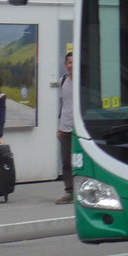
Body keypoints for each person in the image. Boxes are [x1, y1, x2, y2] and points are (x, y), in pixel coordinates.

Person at [56, 51, 74, 204]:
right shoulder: (63, 80)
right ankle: (69, 191)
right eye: (69, 62)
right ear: (65, 65)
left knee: (81, 161)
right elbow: (62, 104)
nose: (71, 65)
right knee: (66, 161)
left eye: (74, 62)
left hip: (81, 128)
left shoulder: (84, 81)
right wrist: (59, 126)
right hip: (65, 127)